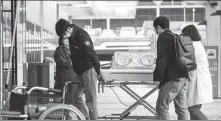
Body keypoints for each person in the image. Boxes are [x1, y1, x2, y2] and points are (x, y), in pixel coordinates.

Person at [55, 18, 104, 120]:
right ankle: (85, 117)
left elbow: (92, 54)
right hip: (80, 73)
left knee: (91, 101)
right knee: (76, 97)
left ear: (68, 29)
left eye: (64, 35)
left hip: (88, 71)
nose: (64, 37)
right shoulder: (72, 36)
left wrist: (99, 72)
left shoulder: (81, 36)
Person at [153, 16, 190, 120]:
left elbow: (161, 59)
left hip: (172, 78)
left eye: (154, 29)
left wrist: (157, 77)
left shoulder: (163, 37)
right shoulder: (175, 36)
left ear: (158, 27)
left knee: (162, 107)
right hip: (183, 77)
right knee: (182, 108)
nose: (155, 31)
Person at [182, 25, 213, 120]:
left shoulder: (193, 46)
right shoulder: (198, 44)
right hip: (200, 78)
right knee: (194, 108)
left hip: (197, 79)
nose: (182, 37)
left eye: (184, 34)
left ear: (188, 35)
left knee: (192, 108)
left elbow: (184, 61)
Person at [53, 37, 89, 119]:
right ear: (62, 41)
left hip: (76, 77)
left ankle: (83, 116)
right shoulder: (59, 50)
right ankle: (75, 116)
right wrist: (72, 62)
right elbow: (60, 61)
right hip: (65, 78)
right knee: (69, 99)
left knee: (74, 98)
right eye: (66, 39)